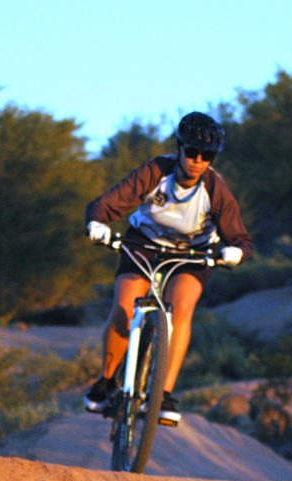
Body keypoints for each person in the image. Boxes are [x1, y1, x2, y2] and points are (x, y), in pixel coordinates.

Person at [82, 112, 253, 425]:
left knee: (181, 309)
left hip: (192, 253)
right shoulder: (155, 171)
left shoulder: (215, 189)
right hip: (143, 244)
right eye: (191, 152)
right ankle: (106, 381)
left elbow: (240, 238)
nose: (198, 160)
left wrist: (235, 253)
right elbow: (107, 203)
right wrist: (97, 224)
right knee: (124, 306)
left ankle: (164, 393)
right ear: (179, 149)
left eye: (207, 156)